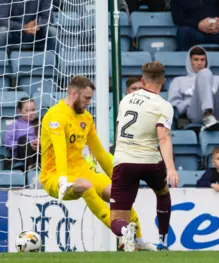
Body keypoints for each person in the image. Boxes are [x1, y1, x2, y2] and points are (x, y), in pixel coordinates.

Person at [39, 76, 156, 251]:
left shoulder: (86, 118)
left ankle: (138, 242)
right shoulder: (55, 116)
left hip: (82, 169)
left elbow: (99, 152)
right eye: (86, 98)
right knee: (85, 186)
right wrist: (63, 179)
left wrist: (118, 176)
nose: (89, 102)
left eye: (90, 98)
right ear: (73, 94)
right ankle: (123, 230)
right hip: (55, 176)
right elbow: (60, 150)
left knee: (117, 192)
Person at [110, 62, 179, 252]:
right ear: (163, 81)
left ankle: (126, 230)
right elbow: (163, 138)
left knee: (116, 219)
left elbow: (118, 130)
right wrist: (171, 169)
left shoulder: (126, 99)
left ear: (142, 80)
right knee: (163, 193)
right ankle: (163, 242)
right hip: (150, 161)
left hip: (124, 161)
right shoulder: (164, 106)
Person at [169, 46, 219, 131]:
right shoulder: (178, 81)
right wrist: (191, 101)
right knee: (204, 73)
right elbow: (174, 107)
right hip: (196, 112)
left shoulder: (217, 79)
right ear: (189, 61)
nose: (199, 63)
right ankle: (208, 117)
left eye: (202, 60)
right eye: (196, 59)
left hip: (218, 111)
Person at [3, 98, 39, 171]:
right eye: (27, 110)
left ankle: (41, 164)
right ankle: (30, 166)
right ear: (19, 111)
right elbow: (7, 142)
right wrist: (28, 144)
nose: (31, 113)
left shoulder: (39, 123)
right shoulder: (15, 125)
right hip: (21, 154)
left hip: (36, 152)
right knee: (23, 140)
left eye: (33, 110)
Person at [110, 76, 144, 145]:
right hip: (123, 146)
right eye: (134, 89)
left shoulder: (150, 104)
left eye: (140, 88)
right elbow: (111, 132)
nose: (137, 91)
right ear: (127, 91)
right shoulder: (119, 104)